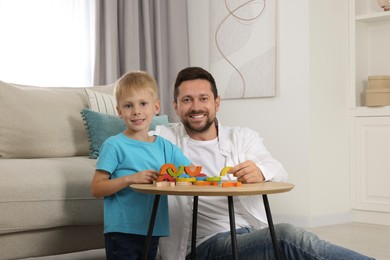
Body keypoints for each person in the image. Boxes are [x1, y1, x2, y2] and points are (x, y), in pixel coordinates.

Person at [152, 67, 375, 259]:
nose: (196, 107)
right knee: (288, 238)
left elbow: (279, 171)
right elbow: (130, 143)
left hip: (250, 234)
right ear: (175, 106)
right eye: (187, 100)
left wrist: (260, 171)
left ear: (217, 103)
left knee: (298, 247)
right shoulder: (162, 139)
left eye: (203, 98)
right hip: (204, 246)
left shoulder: (241, 137)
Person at [91, 71, 192, 260]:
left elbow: (190, 172)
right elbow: (97, 188)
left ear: (156, 107)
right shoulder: (114, 145)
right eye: (128, 105)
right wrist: (130, 178)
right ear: (119, 111)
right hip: (122, 231)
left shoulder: (165, 147)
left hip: (152, 229)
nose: (136, 111)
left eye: (143, 104)